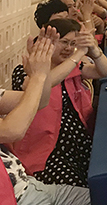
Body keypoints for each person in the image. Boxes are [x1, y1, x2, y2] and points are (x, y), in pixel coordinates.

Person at [12, 19, 107, 188]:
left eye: (73, 44)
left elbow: (105, 71)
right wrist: (77, 54)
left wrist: (94, 51)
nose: (68, 48)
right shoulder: (26, 71)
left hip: (79, 142)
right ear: (46, 43)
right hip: (48, 150)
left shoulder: (73, 67)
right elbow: (45, 82)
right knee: (81, 188)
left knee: (106, 177)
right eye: (64, 42)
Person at [1, 36, 92, 205]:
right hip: (16, 197)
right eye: (64, 42)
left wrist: (40, 74)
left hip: (29, 185)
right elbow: (12, 131)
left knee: (106, 195)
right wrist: (37, 77)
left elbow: (40, 102)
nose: (67, 47)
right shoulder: (21, 72)